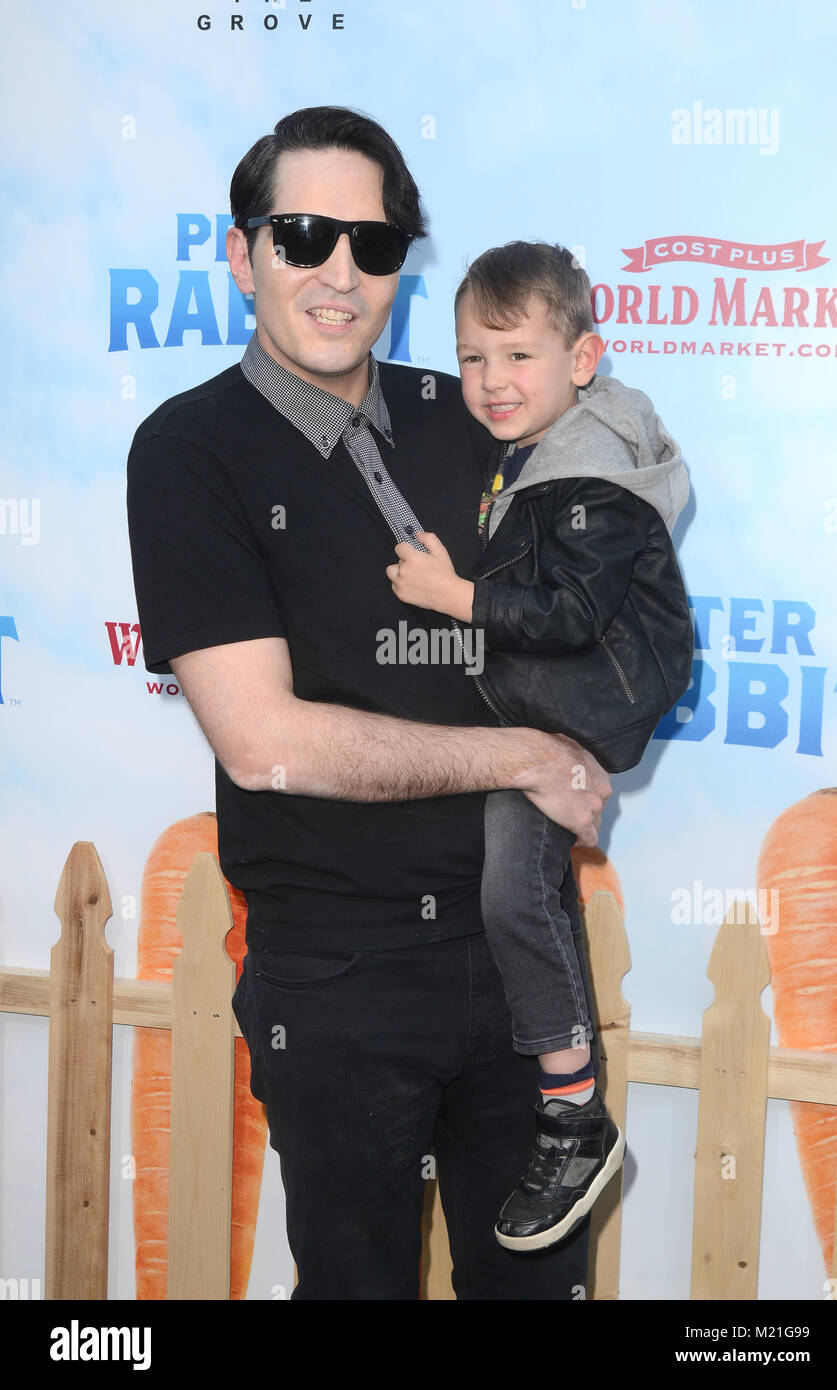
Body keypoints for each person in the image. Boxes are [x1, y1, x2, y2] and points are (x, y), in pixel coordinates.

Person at [125, 107, 612, 1300]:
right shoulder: (189, 452)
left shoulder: (479, 416)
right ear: (242, 256)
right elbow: (265, 743)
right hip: (337, 978)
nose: (341, 271)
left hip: (520, 956)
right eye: (303, 235)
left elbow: (590, 591)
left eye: (375, 242)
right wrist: (520, 758)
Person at [386, 240, 691, 1252]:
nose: (491, 382)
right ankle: (556, 1099)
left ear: (582, 357)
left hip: (579, 696)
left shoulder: (589, 477)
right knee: (508, 876)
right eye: (473, 358)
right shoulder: (537, 452)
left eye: (517, 356)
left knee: (510, 884)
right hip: (541, 700)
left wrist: (453, 597)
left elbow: (563, 613)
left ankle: (571, 1114)